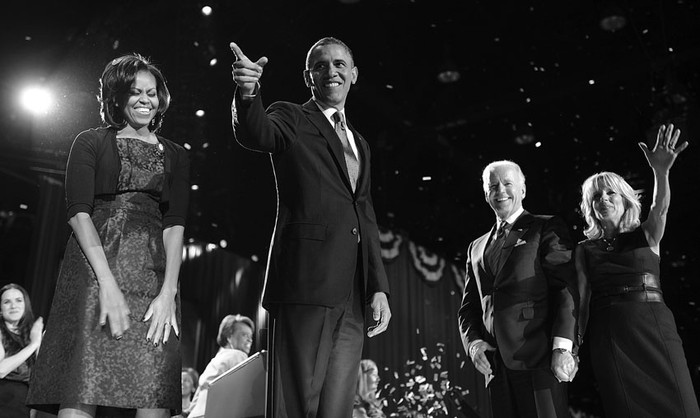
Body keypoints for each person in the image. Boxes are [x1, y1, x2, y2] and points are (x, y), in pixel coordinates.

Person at [229, 36, 392, 417]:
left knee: (336, 408)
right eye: (320, 65)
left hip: (351, 296)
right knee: (296, 403)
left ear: (353, 74)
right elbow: (256, 133)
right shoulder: (292, 117)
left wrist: (378, 287)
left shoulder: (360, 144)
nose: (331, 71)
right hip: (305, 282)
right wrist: (248, 92)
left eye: (339, 64)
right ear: (308, 76)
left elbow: (363, 214)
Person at [26, 53, 190, 418]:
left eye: (151, 92)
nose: (145, 100)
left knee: (152, 387)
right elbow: (78, 214)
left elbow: (175, 224)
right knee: (83, 379)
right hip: (93, 273)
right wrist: (108, 285)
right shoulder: (90, 142)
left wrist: (169, 292)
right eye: (135, 92)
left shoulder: (176, 155)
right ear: (116, 98)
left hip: (152, 280)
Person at [576, 123, 699, 417]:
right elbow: (579, 303)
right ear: (589, 207)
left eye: (610, 193)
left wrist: (661, 172)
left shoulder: (647, 234)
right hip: (611, 340)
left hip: (656, 332)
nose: (603, 199)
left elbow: (660, 208)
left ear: (624, 199)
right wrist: (571, 348)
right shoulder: (584, 249)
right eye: (596, 196)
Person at [457, 160, 579, 418]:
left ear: (522, 190)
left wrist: (562, 348)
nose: (500, 190)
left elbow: (565, 289)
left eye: (507, 183)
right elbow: (468, 307)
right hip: (496, 368)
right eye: (493, 186)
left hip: (540, 359)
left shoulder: (545, 227)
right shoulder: (475, 248)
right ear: (486, 194)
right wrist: (475, 344)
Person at [188, 314, 255, 418]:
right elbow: (244, 396)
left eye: (251, 337)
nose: (249, 340)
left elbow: (196, 400)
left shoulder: (215, 360)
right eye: (244, 335)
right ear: (229, 336)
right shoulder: (237, 355)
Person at [0, 283, 43, 417]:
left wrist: (39, 343)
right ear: (0, 309)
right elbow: (1, 370)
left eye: (18, 300)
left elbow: (38, 380)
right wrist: (33, 345)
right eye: (7, 302)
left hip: (22, 407)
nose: (14, 306)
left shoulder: (32, 334)